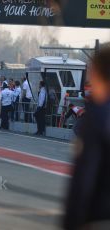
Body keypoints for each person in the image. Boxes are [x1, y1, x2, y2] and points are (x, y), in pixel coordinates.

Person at [63, 47, 110, 230]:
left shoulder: (98, 116)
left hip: (100, 216)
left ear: (97, 73)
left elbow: (84, 178)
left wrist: (72, 223)